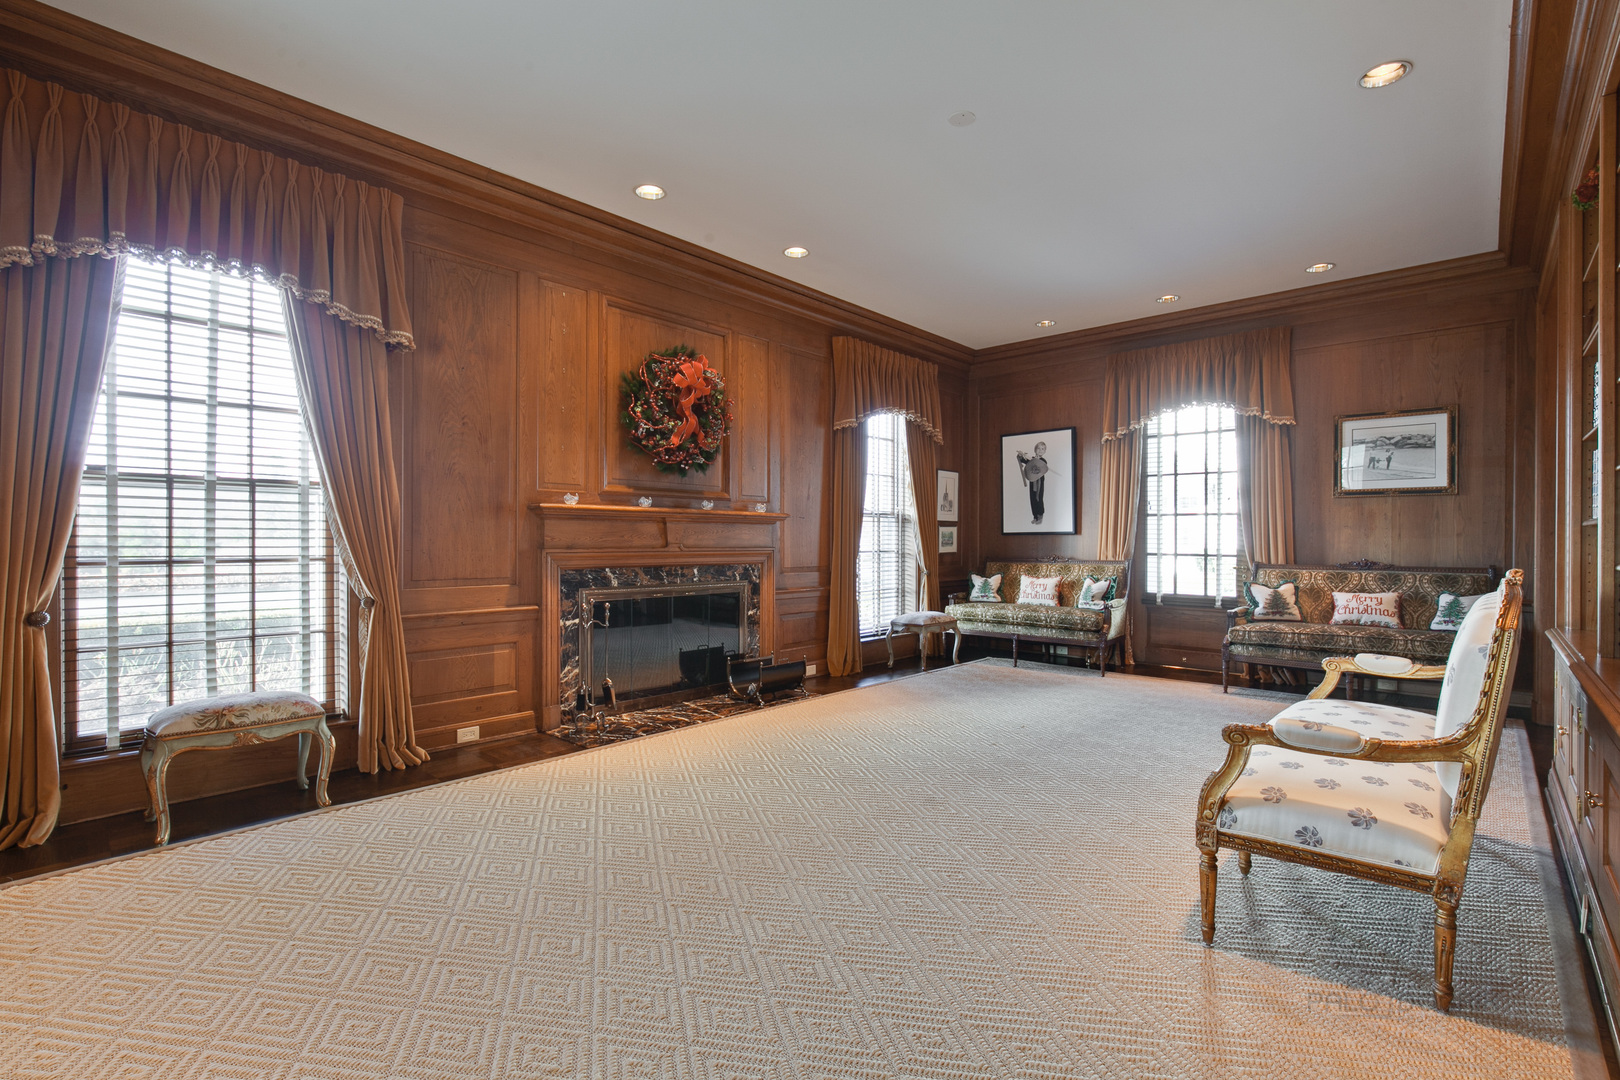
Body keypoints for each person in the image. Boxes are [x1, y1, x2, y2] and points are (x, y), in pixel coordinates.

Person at [1016, 441, 1049, 525]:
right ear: (1035, 449)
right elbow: (1023, 460)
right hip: (1032, 480)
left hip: (1039, 482)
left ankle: (1040, 515)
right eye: (1038, 448)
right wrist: (1021, 455)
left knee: (1039, 498)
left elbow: (1043, 465)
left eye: (1042, 449)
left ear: (1045, 451)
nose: (1040, 450)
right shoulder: (1031, 459)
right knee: (1033, 498)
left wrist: (1034, 460)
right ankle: (1035, 516)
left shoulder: (1042, 460)